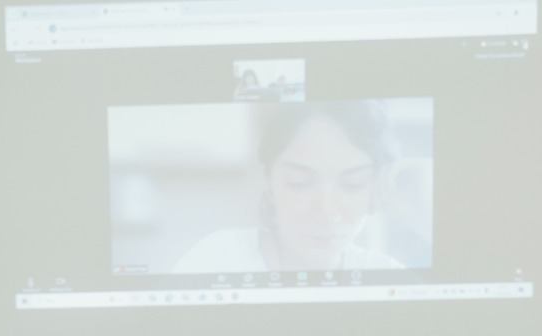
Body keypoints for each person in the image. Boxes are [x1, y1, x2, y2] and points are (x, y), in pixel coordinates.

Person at [170, 100, 409, 274]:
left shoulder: (386, 273)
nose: (325, 213)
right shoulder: (218, 258)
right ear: (268, 181)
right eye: (300, 183)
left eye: (352, 185)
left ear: (376, 189)